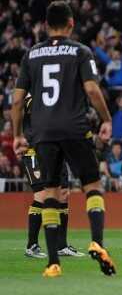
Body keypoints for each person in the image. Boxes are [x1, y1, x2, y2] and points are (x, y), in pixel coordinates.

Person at [12, 1, 115, 277]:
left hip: (43, 134)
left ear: (46, 25)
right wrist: (106, 119)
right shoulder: (80, 52)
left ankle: (53, 263)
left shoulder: (31, 54)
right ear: (72, 24)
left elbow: (18, 99)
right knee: (92, 185)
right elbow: (92, 90)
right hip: (74, 128)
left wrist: (17, 134)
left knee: (49, 194)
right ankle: (97, 242)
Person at [22, 95, 84, 258]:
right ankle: (32, 245)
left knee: (63, 195)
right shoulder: (33, 96)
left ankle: (61, 246)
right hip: (35, 150)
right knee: (42, 195)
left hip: (57, 149)